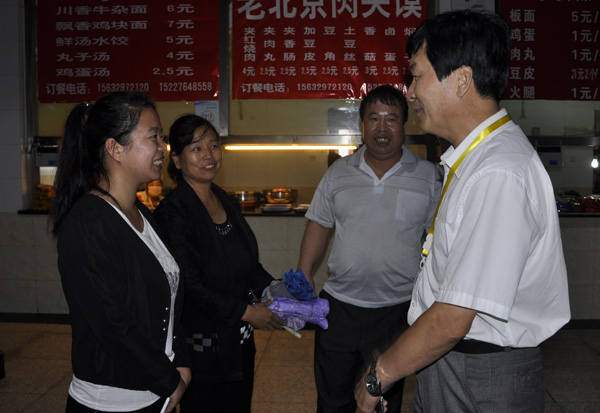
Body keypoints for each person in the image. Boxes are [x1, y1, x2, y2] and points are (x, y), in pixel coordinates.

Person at [355, 10, 571, 413]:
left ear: (461, 80)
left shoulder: (498, 172)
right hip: (455, 362)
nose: (411, 91)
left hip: (481, 373)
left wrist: (379, 375)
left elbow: (454, 315)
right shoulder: (475, 159)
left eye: (417, 76)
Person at [297, 84, 442, 413]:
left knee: (383, 402)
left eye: (392, 119)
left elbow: (439, 240)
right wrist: (304, 273)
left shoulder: (428, 177)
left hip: (397, 312)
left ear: (405, 125)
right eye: (373, 118)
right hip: (339, 309)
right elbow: (319, 223)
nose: (382, 127)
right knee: (333, 399)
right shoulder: (338, 173)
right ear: (362, 125)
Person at [51, 91, 191, 413]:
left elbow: (168, 295)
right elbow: (114, 324)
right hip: (113, 402)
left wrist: (179, 362)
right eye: (153, 136)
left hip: (157, 389)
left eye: (162, 136)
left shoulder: (142, 214)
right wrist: (169, 381)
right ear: (115, 148)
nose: (162, 147)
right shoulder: (88, 223)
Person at [154, 114, 284, 412]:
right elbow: (191, 285)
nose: (209, 155)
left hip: (239, 344)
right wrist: (248, 313)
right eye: (197, 148)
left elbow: (248, 265)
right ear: (176, 160)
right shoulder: (174, 213)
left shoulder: (223, 199)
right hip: (202, 351)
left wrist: (273, 290)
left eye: (214, 145)